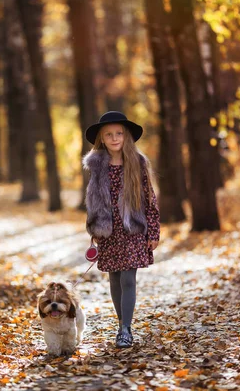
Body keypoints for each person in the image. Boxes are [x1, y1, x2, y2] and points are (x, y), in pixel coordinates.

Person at [82, 111, 160, 348]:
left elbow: (150, 199)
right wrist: (94, 226)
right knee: (115, 278)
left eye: (119, 133)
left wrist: (153, 231)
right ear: (102, 139)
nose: (114, 138)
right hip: (109, 231)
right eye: (109, 135)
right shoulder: (97, 166)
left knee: (128, 277)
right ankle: (121, 324)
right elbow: (92, 198)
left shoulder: (138, 163)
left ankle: (126, 329)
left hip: (133, 230)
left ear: (126, 137)